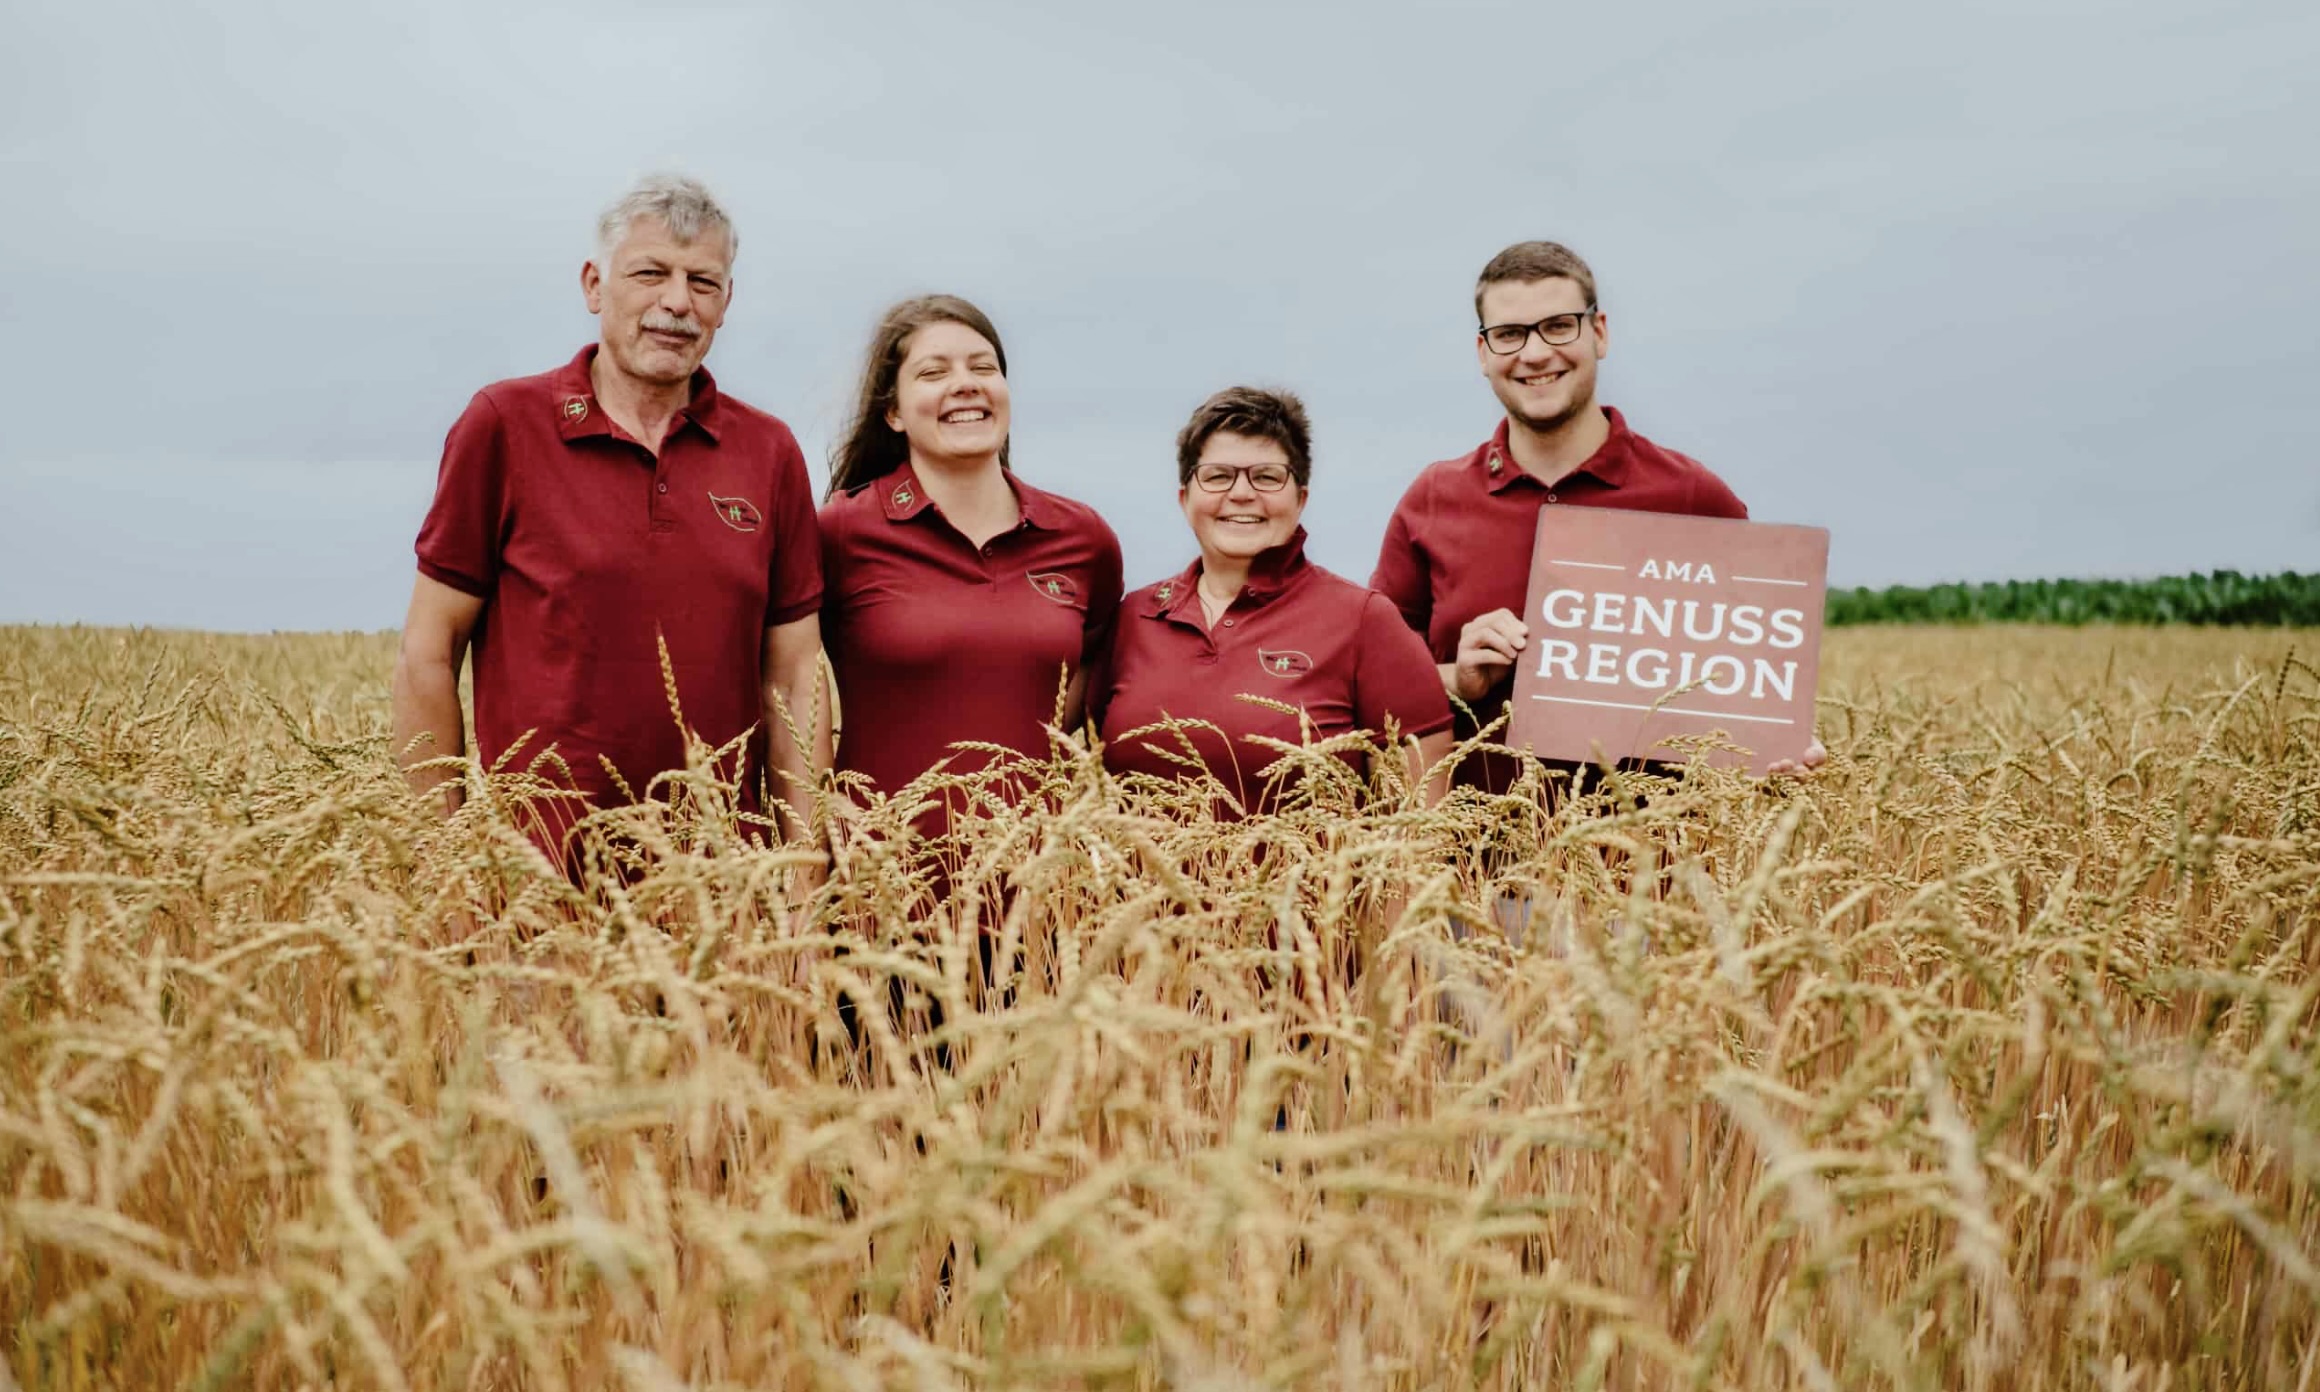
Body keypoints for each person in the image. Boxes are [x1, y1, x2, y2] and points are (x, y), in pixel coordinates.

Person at [392, 175, 827, 862]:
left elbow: (796, 676)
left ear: (726, 303)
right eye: (650, 273)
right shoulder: (504, 427)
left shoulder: (768, 452)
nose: (677, 302)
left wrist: (802, 876)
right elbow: (427, 653)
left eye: (703, 283)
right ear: (595, 285)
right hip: (540, 883)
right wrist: (448, 866)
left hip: (728, 886)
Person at [1370, 240, 1823, 794]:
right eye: (1509, 334)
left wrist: (1784, 743)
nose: (1535, 354)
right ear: (1483, 352)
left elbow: (1758, 682)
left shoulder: (1692, 497)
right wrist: (1458, 679)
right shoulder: (1433, 500)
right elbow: (1372, 679)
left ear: (1599, 332)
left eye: (1559, 326)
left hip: (1653, 871)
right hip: (1469, 869)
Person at [818, 295, 1123, 835]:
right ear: (892, 412)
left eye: (983, 368)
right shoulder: (840, 532)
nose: (965, 383)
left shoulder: (1083, 538)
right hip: (878, 890)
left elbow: (1096, 675)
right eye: (933, 372)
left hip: (1043, 896)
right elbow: (787, 680)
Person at [1098, 387, 1453, 814]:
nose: (1242, 493)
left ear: (1301, 498)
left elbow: (1420, 834)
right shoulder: (1134, 617)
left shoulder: (1366, 621)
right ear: (1184, 498)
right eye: (1217, 476)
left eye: (1267, 476)